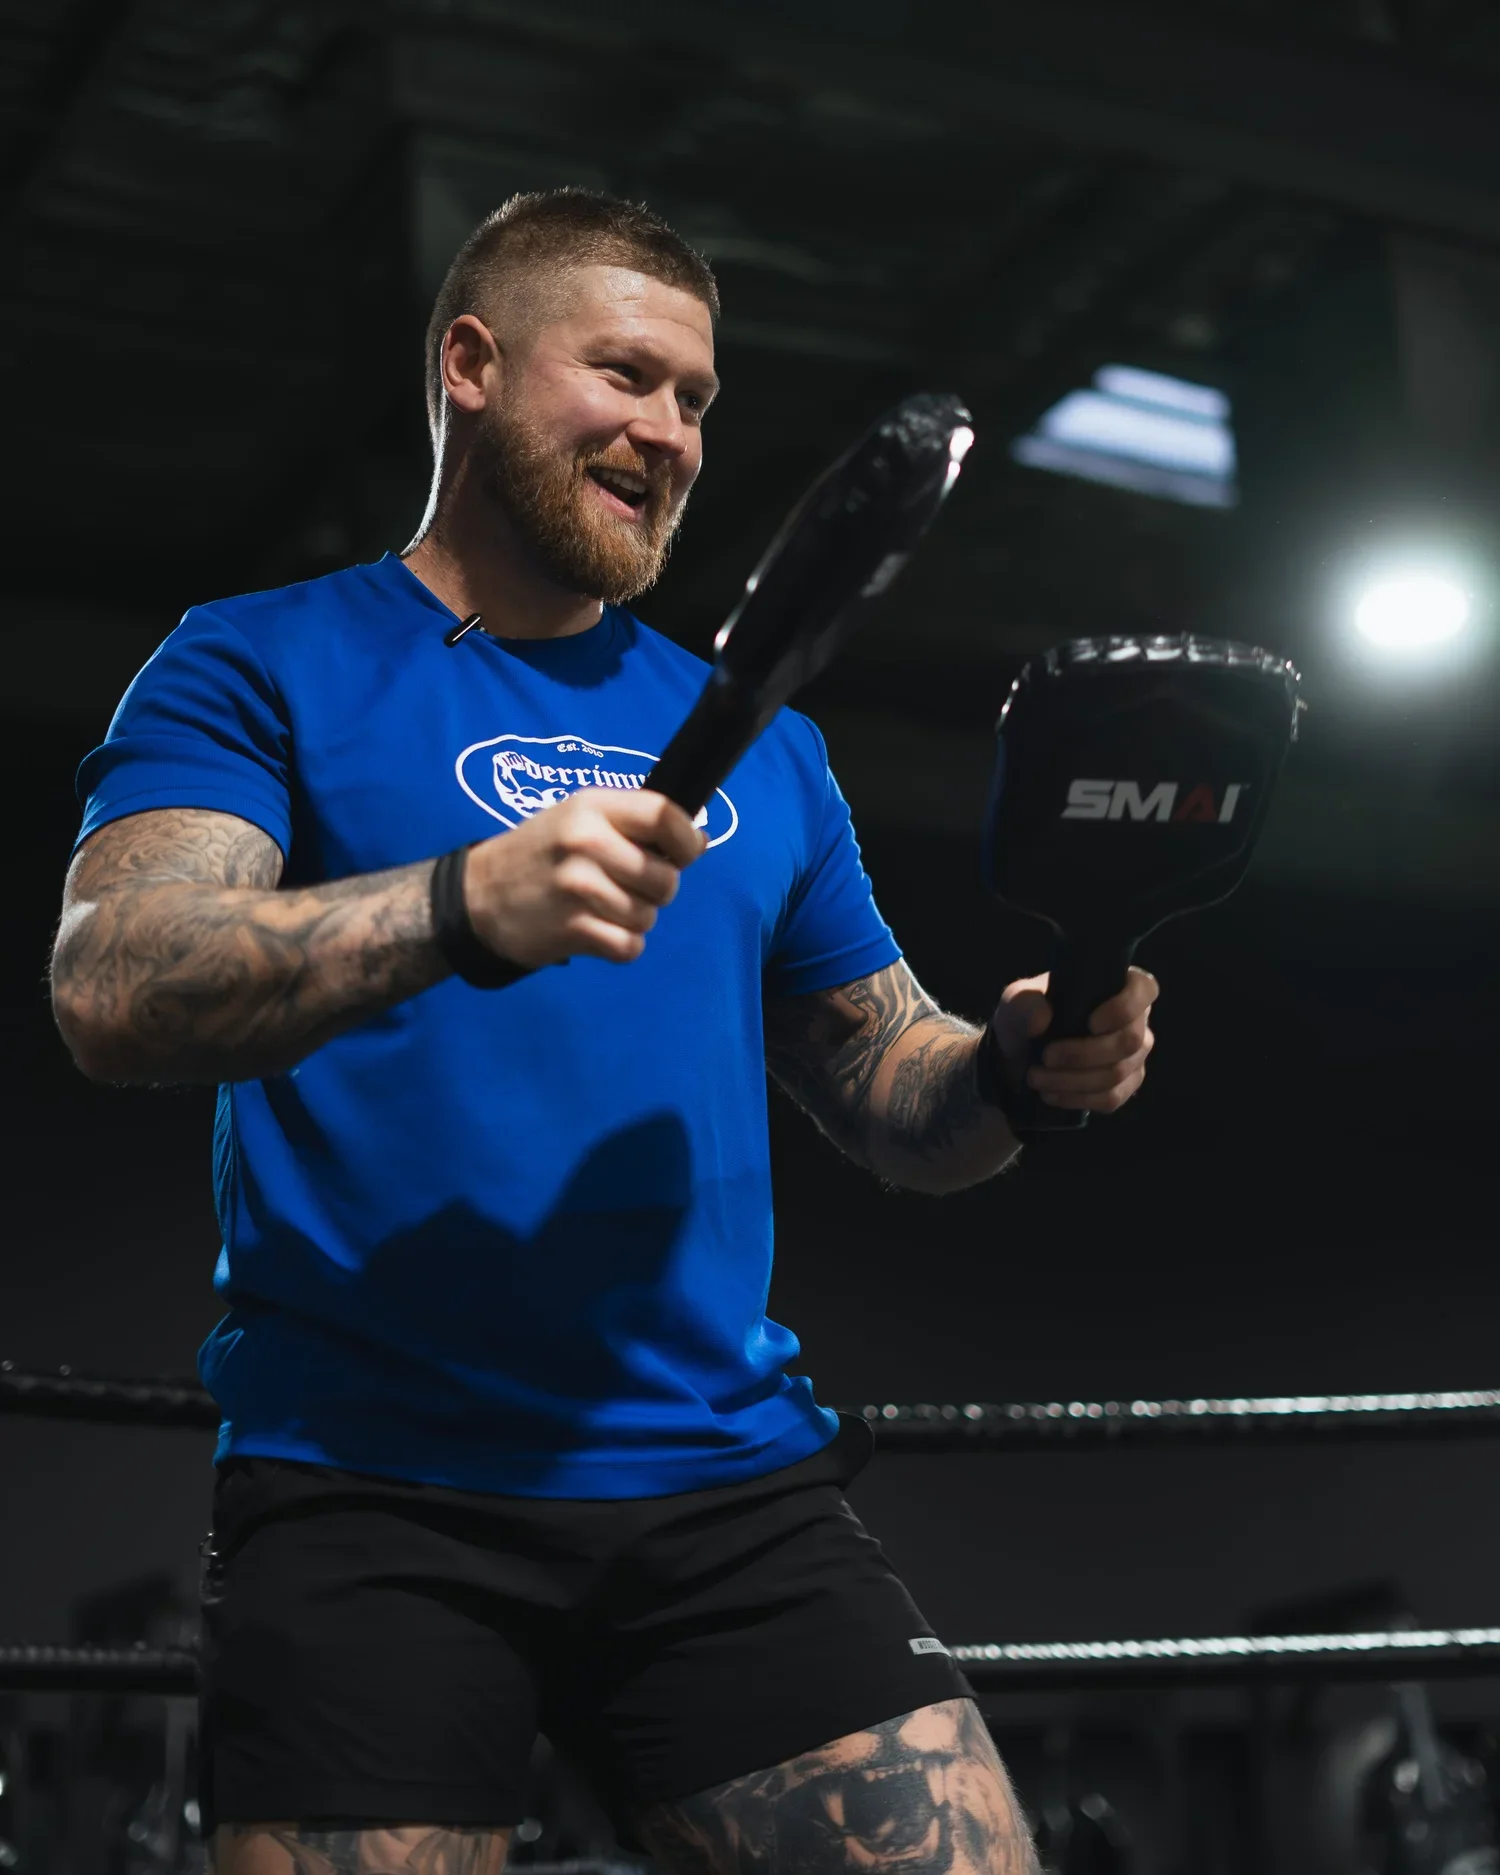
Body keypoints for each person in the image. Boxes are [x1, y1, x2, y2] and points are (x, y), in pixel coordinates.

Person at [51, 189, 1158, 1875]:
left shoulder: (766, 752)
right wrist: (457, 906)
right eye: (628, 376)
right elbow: (113, 981)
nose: (671, 432)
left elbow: (888, 1089)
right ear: (473, 366)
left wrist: (1016, 1064)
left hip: (724, 1488)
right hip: (371, 1493)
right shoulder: (258, 662)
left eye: (699, 400)